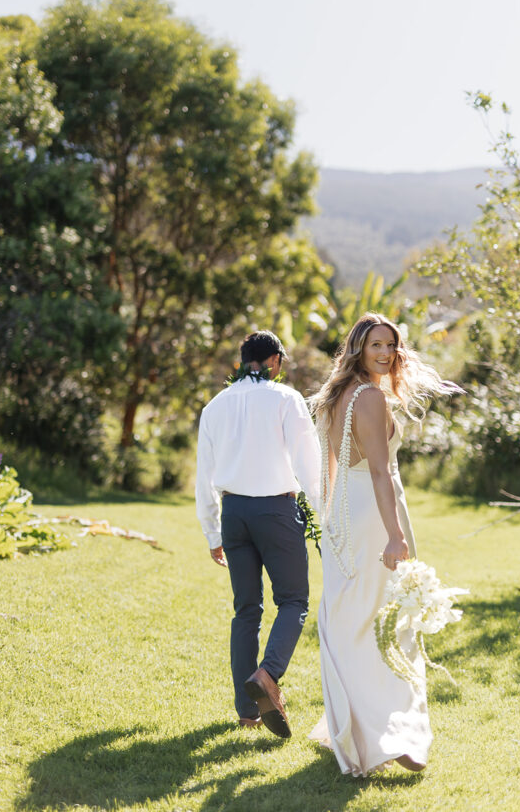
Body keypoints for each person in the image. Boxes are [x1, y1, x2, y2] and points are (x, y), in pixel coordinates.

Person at [309, 312, 460, 776]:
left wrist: (332, 521)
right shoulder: (370, 397)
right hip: (374, 513)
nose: (385, 353)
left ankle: (363, 728)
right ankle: (394, 736)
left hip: (345, 513)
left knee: (353, 618)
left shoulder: (336, 396)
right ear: (357, 347)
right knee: (387, 621)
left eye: (390, 346)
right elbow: (379, 471)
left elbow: (331, 467)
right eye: (376, 345)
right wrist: (395, 535)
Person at [195, 330, 321, 737]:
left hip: (234, 513)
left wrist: (212, 531)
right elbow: (308, 463)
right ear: (276, 361)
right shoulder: (287, 399)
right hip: (276, 509)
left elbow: (204, 477)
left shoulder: (214, 406)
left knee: (246, 610)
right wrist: (325, 516)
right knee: (294, 600)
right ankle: (268, 675)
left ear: (242, 360)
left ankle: (247, 711)